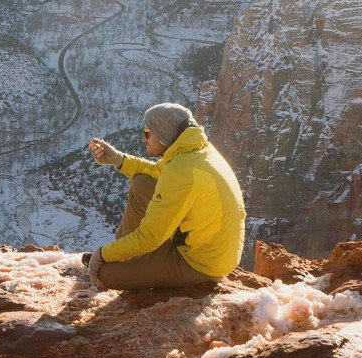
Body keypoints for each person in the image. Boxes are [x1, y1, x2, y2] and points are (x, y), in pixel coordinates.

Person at [85, 103, 246, 290]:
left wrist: (102, 255)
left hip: (200, 263)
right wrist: (118, 159)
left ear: (162, 137)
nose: (143, 138)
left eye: (147, 133)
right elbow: (155, 172)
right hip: (206, 246)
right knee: (142, 183)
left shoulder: (182, 171)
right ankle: (125, 256)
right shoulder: (194, 150)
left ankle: (121, 261)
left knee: (105, 274)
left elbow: (150, 237)